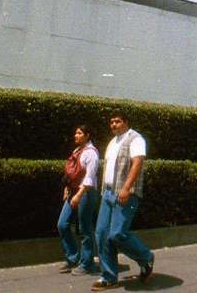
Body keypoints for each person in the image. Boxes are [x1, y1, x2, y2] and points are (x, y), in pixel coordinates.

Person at [91, 112, 154, 291]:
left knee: (117, 234)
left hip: (127, 193)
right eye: (111, 122)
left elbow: (137, 163)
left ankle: (145, 256)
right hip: (108, 194)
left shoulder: (135, 138)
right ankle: (109, 277)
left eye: (117, 121)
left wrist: (126, 188)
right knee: (102, 234)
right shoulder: (113, 142)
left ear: (126, 122)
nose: (114, 125)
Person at [57, 125, 99, 275]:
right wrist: (67, 188)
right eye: (75, 132)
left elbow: (90, 177)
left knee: (84, 228)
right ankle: (72, 258)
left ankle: (87, 264)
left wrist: (79, 194)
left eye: (79, 133)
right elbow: (71, 172)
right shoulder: (76, 151)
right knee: (62, 224)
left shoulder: (91, 153)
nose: (76, 135)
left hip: (86, 192)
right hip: (74, 191)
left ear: (87, 135)